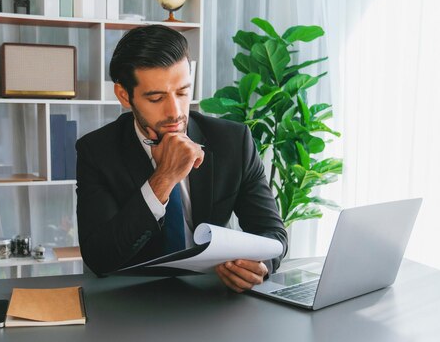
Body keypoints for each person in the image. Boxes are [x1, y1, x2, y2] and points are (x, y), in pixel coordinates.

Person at [76, 25, 288, 293]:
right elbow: (99, 258)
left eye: (182, 92)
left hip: (213, 295)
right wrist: (164, 178)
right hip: (133, 299)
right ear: (124, 96)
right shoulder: (97, 151)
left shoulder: (233, 142)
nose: (175, 112)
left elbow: (272, 233)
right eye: (156, 98)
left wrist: (262, 264)